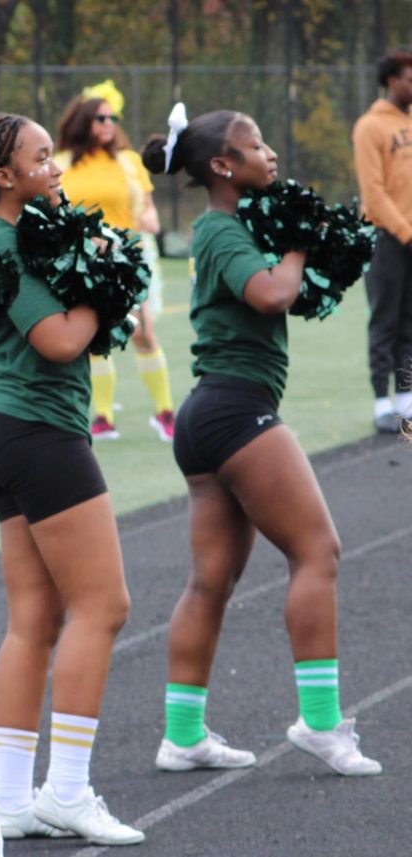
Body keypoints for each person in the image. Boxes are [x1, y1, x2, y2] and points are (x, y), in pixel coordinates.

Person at [141, 107, 381, 777]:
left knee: (210, 580)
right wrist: (301, 244)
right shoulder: (218, 230)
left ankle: (182, 734)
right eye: (256, 145)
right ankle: (323, 723)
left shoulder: (229, 226)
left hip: (211, 413)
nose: (270, 153)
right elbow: (274, 292)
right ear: (223, 164)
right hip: (233, 409)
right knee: (318, 550)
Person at [0, 113, 144, 846]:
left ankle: (10, 801)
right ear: (5, 177)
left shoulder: (15, 235)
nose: (56, 165)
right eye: (42, 157)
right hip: (37, 434)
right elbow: (61, 339)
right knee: (105, 604)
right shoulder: (2, 243)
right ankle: (66, 790)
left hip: (10, 431)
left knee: (35, 620)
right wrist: (108, 276)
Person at [56, 87, 176, 442]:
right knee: (93, 336)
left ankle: (165, 412)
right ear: (83, 122)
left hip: (127, 259)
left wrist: (150, 217)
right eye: (100, 118)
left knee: (143, 332)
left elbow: (147, 205)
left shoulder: (128, 161)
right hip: (83, 261)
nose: (109, 124)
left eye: (113, 118)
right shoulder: (62, 163)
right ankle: (103, 417)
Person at [351, 48, 412, 434]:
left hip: (409, 238)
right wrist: (406, 232)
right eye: (410, 77)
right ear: (392, 81)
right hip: (386, 238)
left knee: (410, 320)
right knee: (385, 319)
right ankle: (380, 403)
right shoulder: (370, 127)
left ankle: (406, 398)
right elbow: (373, 192)